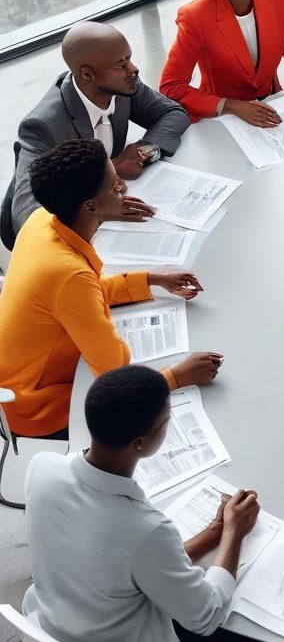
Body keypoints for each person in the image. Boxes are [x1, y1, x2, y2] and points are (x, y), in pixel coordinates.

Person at [23, 365, 284, 642]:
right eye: (165, 422)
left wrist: (212, 533)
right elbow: (206, 615)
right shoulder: (140, 527)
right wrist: (234, 534)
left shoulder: (43, 468)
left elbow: (123, 562)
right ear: (141, 443)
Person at [0, 140, 221, 439]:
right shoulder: (68, 274)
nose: (123, 186)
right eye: (113, 183)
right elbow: (115, 380)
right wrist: (176, 377)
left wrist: (151, 279)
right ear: (89, 205)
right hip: (35, 401)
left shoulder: (42, 220)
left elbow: (79, 294)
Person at [1, 21, 190, 246]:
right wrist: (102, 185)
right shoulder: (42, 126)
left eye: (129, 58)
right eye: (122, 64)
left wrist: (145, 150)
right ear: (88, 75)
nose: (133, 69)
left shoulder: (121, 88)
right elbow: (26, 213)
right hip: (58, 233)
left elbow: (173, 113)